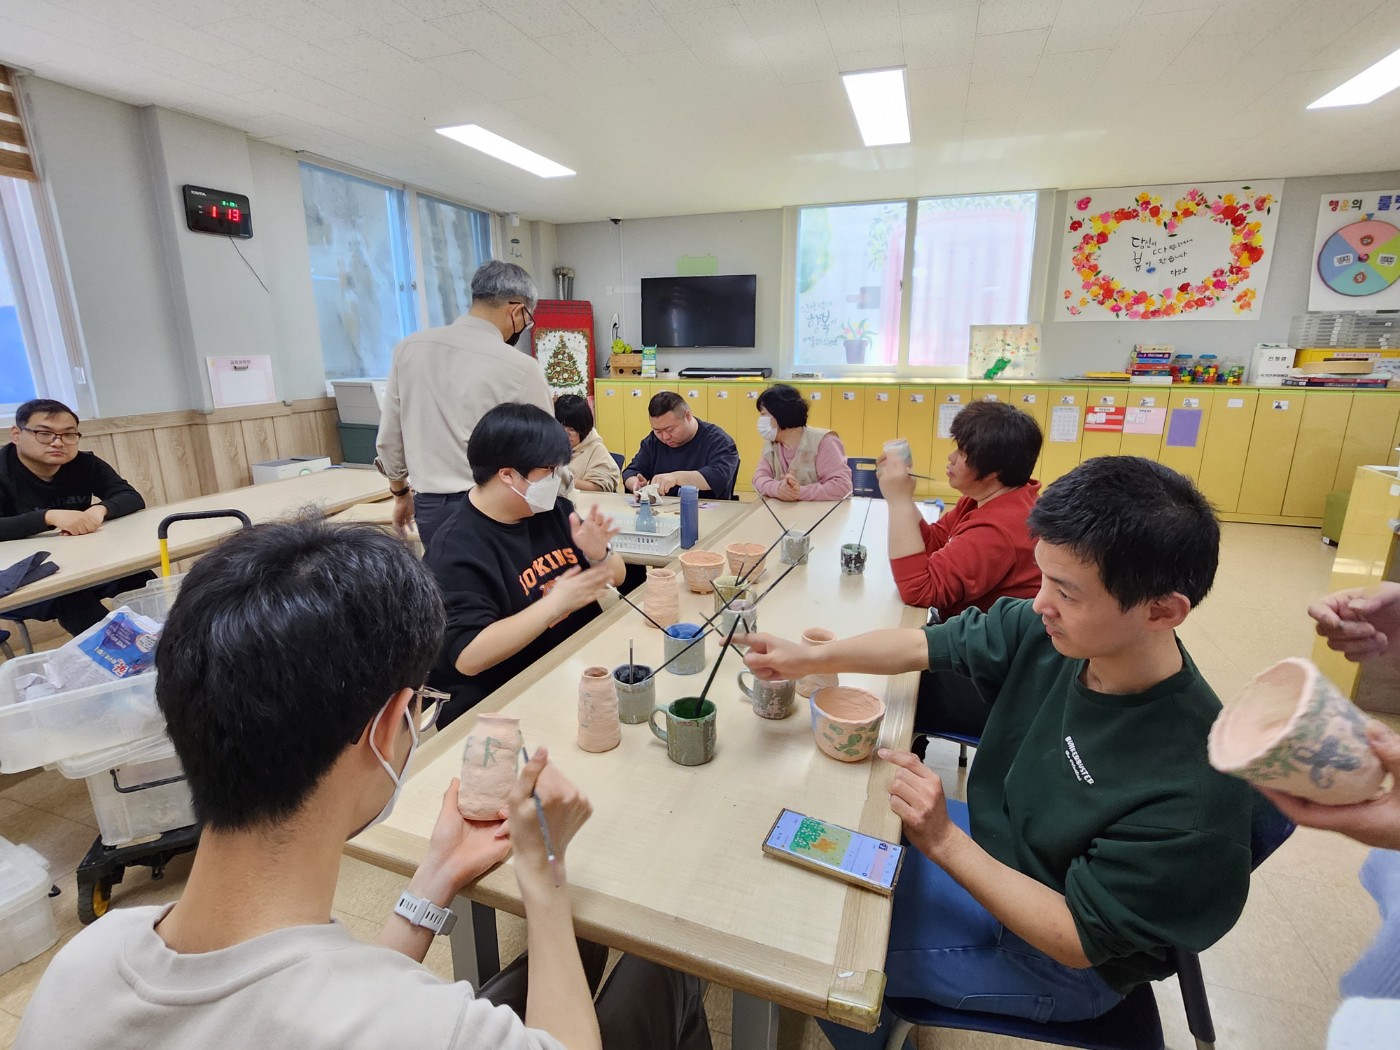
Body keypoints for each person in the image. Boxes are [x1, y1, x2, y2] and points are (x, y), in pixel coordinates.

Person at [15, 517, 710, 1050]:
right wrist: (545, 877)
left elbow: (317, 990)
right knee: (667, 958)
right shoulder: (422, 1026)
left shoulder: (85, 963)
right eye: (418, 711)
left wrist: (434, 878)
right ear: (385, 730)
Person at [740, 457, 1253, 1048]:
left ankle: (867, 1025)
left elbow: (1076, 939)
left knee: (817, 952)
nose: (1039, 603)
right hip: (997, 840)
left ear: (1162, 610)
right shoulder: (1057, 634)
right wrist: (810, 658)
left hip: (1060, 957)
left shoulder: (1193, 789)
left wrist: (942, 840)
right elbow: (922, 644)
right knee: (817, 854)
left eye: (1066, 592)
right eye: (1043, 578)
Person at [426, 403, 626, 726]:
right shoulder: (455, 550)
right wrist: (554, 604)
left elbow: (617, 577)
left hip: (573, 670)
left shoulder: (553, 512)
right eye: (549, 470)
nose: (557, 478)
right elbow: (468, 657)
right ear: (508, 475)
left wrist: (598, 554)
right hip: (508, 701)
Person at [375, 260, 553, 551]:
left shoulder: (408, 349)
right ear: (517, 311)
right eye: (527, 319)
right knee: (503, 580)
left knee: (446, 578)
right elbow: (547, 451)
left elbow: (389, 439)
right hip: (496, 507)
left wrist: (400, 494)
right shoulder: (521, 367)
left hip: (431, 508)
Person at [1, 398, 152, 635]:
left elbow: (130, 496)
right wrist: (48, 517)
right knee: (70, 594)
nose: (58, 442)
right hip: (17, 578)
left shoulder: (84, 464)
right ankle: (121, 650)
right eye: (44, 434)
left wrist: (100, 509)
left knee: (137, 575)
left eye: (68, 435)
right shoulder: (3, 469)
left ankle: (174, 639)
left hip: (79, 563)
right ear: (17, 435)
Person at [880, 400, 1042, 618]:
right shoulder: (985, 499)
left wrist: (899, 501)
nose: (952, 458)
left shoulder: (997, 529)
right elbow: (933, 543)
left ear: (994, 471)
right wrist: (904, 496)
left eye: (963, 453)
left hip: (985, 637)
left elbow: (919, 590)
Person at [621, 392, 739, 500]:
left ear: (688, 416)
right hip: (663, 509)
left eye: (670, 429)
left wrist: (676, 478)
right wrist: (635, 484)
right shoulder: (653, 442)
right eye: (658, 431)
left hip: (708, 509)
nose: (665, 437)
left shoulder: (719, 441)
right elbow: (631, 471)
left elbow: (718, 476)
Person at [750, 383, 852, 501]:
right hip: (784, 511)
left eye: (763, 414)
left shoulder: (824, 441)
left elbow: (842, 486)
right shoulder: (771, 445)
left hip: (822, 511)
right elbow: (758, 478)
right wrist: (778, 488)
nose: (760, 420)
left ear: (780, 414)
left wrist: (799, 492)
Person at [554, 395, 621, 493]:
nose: (565, 434)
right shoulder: (549, 445)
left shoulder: (596, 449)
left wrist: (566, 480)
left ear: (583, 428)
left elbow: (600, 487)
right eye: (561, 428)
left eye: (572, 429)